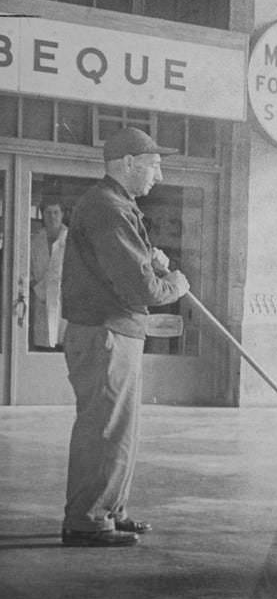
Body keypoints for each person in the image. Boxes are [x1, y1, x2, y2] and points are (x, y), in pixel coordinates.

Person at [60, 127, 190, 548]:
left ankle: (110, 508)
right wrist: (175, 284)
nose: (160, 176)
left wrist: (149, 259)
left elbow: (125, 267)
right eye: (154, 165)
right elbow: (141, 290)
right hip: (106, 333)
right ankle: (87, 519)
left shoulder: (117, 206)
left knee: (119, 428)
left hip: (115, 331)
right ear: (128, 163)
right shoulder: (109, 208)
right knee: (105, 428)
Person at [31, 200, 69, 350]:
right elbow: (25, 271)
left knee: (63, 346)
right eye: (48, 213)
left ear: (62, 215)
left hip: (64, 301)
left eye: (56, 212)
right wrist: (37, 289)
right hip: (41, 300)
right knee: (43, 347)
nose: (52, 217)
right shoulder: (34, 241)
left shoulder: (71, 239)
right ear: (42, 215)